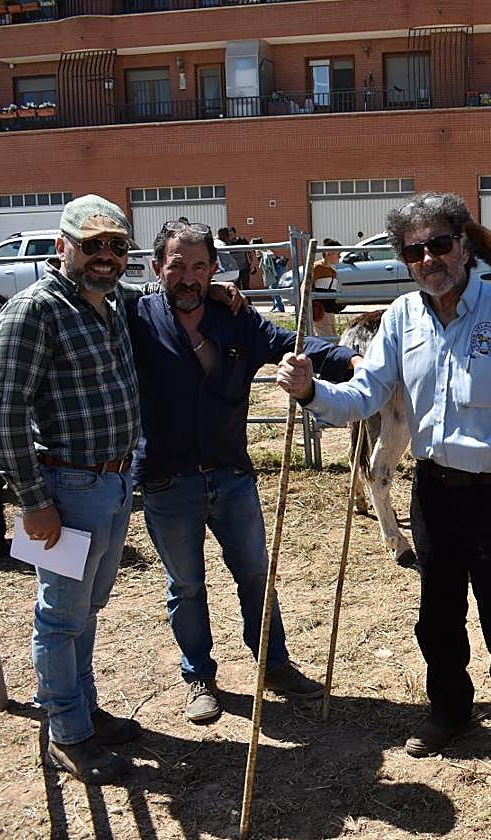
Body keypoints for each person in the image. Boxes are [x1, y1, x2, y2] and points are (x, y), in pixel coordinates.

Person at [276, 192, 491, 796]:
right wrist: (311, 393)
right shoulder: (402, 320)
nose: (430, 258)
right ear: (404, 259)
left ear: (464, 244)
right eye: (415, 250)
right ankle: (450, 713)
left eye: (440, 243)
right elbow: (364, 397)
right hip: (433, 492)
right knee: (437, 617)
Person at [130, 220, 361, 723]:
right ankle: (199, 678)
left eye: (198, 267)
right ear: (156, 269)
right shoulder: (136, 319)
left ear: (214, 268)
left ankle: (274, 665)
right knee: (186, 585)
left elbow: (293, 344)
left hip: (232, 474)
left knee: (256, 574)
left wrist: (352, 359)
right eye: (177, 266)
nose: (188, 278)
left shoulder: (235, 319)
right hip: (169, 480)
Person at [0, 194, 143, 785]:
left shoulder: (109, 304)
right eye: (92, 244)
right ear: (63, 247)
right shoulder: (36, 310)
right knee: (59, 616)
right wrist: (33, 503)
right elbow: (2, 413)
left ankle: (82, 711)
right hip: (65, 486)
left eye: (116, 246)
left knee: (86, 608)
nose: (105, 255)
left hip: (112, 479)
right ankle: (68, 734)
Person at [308, 237, 341, 337]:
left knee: (333, 338)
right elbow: (305, 286)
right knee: (328, 340)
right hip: (319, 311)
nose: (339, 256)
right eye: (337, 254)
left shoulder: (333, 272)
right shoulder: (316, 268)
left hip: (329, 312)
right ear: (328, 254)